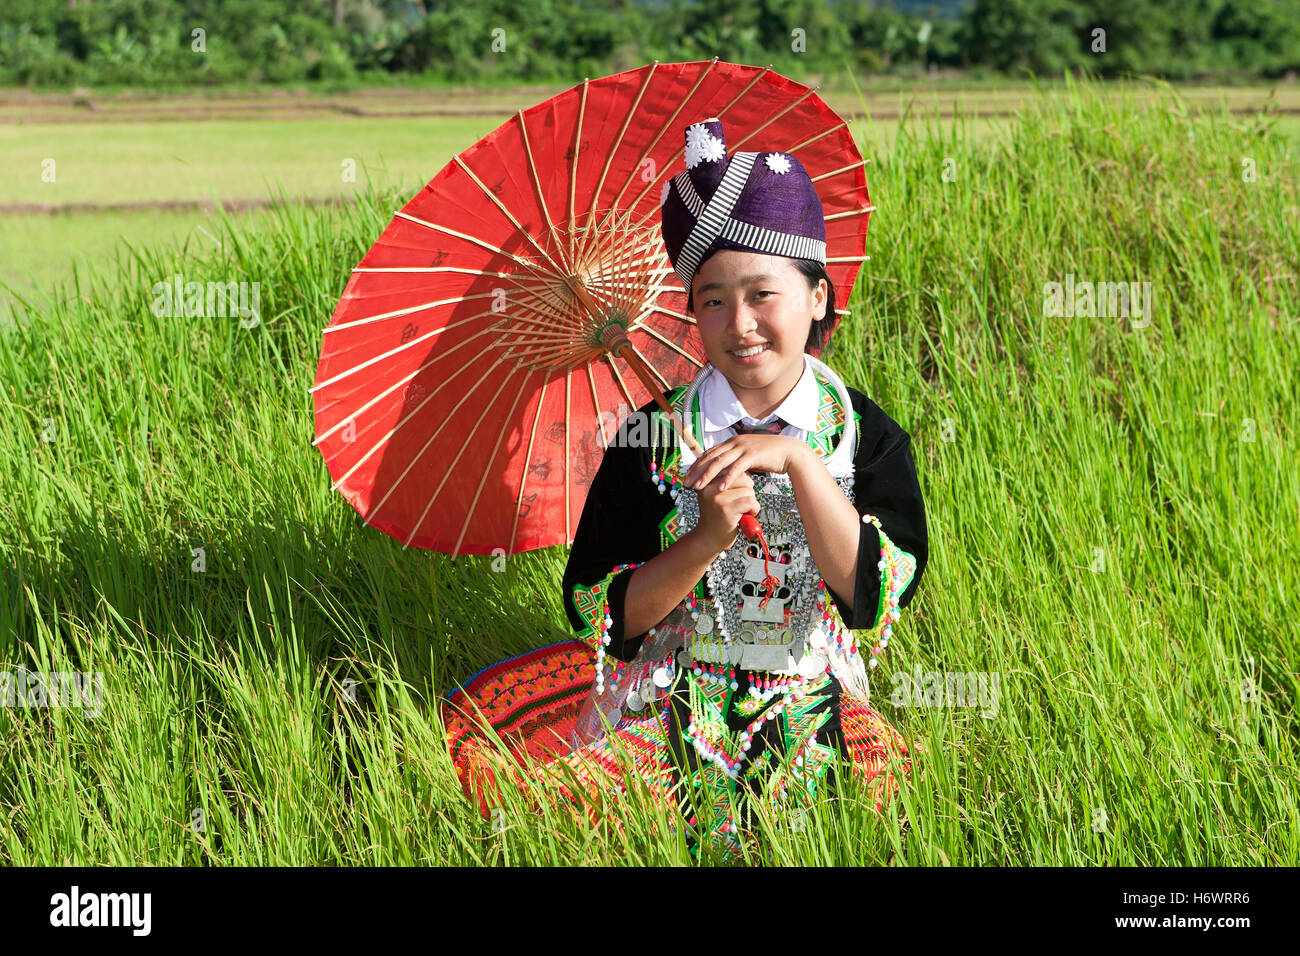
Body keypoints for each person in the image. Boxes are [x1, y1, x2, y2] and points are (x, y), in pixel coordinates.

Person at [444, 117, 928, 855]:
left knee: (868, 812)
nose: (741, 325)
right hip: (669, 693)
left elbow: (870, 597)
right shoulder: (651, 435)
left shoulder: (863, 435)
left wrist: (799, 464)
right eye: (713, 300)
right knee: (580, 815)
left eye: (763, 293)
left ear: (817, 297)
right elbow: (605, 616)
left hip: (812, 693)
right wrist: (704, 540)